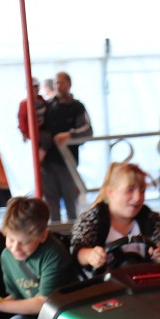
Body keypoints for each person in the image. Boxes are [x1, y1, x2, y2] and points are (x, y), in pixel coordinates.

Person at [71, 162, 160, 272]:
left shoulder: (152, 219)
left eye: (142, 191)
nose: (138, 198)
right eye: (130, 190)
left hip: (145, 282)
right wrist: (90, 255)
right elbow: (77, 252)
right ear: (110, 192)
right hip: (105, 285)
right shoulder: (91, 219)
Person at [41, 71, 92, 222]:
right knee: (51, 203)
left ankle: (73, 235)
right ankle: (55, 235)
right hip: (48, 163)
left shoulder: (77, 107)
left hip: (67, 163)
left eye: (62, 82)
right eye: (56, 82)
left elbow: (88, 130)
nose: (59, 85)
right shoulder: (49, 106)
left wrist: (70, 135)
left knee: (70, 201)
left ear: (69, 84)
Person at [17, 77, 50, 162]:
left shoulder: (43, 101)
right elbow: (21, 118)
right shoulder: (24, 103)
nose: (35, 89)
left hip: (44, 128)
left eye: (36, 86)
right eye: (32, 87)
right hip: (34, 131)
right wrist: (23, 132)